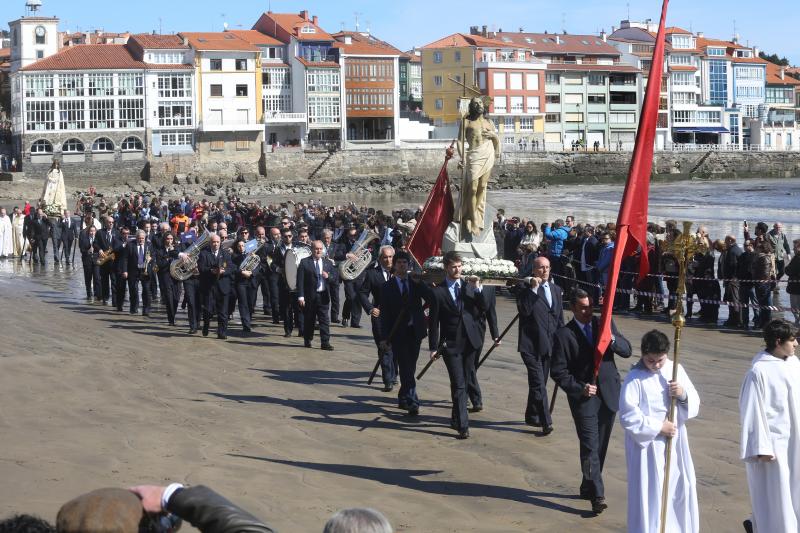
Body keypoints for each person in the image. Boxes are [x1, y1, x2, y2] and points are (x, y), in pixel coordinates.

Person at [550, 288, 632, 514]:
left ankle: (588, 483)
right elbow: (558, 371)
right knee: (589, 445)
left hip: (609, 394)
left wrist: (611, 337)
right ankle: (598, 494)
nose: (588, 311)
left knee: (600, 447)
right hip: (584, 398)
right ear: (573, 308)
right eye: (583, 308)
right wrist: (580, 388)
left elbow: (627, 350)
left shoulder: (603, 325)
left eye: (590, 306)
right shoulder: (563, 335)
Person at [619, 329, 700, 533]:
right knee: (651, 494)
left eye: (660, 360)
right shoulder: (635, 377)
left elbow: (694, 401)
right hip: (647, 447)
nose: (655, 365)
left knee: (678, 488)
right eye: (650, 360)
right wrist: (658, 427)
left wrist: (681, 394)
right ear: (643, 355)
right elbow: (628, 415)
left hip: (675, 441)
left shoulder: (675, 369)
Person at [739, 319, 800, 533]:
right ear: (778, 341)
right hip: (775, 445)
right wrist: (760, 447)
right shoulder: (758, 372)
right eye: (792, 340)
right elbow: (752, 411)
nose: (796, 345)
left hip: (796, 439)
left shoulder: (794, 363)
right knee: (777, 494)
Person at [427, 251, 489, 439]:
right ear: (446, 268)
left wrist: (477, 288)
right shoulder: (438, 291)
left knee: (465, 379)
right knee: (459, 383)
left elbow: (484, 308)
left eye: (460, 266)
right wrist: (433, 347)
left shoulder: (469, 287)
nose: (458, 269)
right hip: (450, 344)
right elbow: (433, 321)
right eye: (454, 266)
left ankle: (456, 418)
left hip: (470, 342)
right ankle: (463, 425)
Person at [380, 251, 434, 416]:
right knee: (405, 366)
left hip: (415, 331)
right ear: (394, 266)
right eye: (399, 262)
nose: (402, 265)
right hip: (398, 333)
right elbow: (385, 314)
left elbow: (432, 298)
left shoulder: (415, 282)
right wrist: (384, 337)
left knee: (410, 365)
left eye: (405, 262)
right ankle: (412, 401)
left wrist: (422, 285)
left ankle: (403, 397)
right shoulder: (387, 287)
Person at [517, 257, 564, 434]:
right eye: (540, 268)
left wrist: (564, 344)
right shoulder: (525, 288)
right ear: (534, 270)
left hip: (549, 345)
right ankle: (546, 420)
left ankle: (532, 415)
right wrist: (533, 289)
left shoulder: (556, 289)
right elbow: (524, 310)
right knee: (539, 384)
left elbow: (559, 319)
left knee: (539, 382)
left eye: (547, 267)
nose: (544, 271)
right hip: (530, 345)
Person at [457, 97, 500, 237]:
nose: (479, 105)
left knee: (482, 186)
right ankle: (474, 220)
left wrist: (494, 136)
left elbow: (495, 140)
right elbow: (460, 141)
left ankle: (471, 214)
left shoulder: (489, 122)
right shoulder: (467, 122)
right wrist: (462, 157)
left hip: (488, 154)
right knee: (473, 187)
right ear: (471, 106)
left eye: (480, 102)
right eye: (475, 103)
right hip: (474, 156)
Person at [360, 245, 397, 391]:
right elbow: (362, 293)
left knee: (397, 349)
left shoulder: (400, 273)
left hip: (398, 317)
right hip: (380, 317)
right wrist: (370, 308)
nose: (388, 260)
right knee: (384, 348)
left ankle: (394, 375)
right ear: (380, 259)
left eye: (390, 257)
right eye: (385, 257)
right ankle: (387, 379)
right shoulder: (372, 274)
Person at [297, 240, 337, 350]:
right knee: (309, 319)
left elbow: (335, 279)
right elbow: (300, 281)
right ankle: (308, 339)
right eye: (316, 248)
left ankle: (325, 342)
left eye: (320, 249)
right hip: (310, 296)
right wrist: (301, 296)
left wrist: (328, 277)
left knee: (324, 320)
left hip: (323, 296)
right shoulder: (305, 262)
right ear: (312, 249)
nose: (318, 251)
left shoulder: (327, 263)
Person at [198, 234, 233, 339]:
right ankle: (206, 325)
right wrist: (211, 271)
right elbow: (201, 268)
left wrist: (224, 271)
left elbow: (231, 267)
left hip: (222, 286)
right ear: (210, 243)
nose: (216, 244)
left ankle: (222, 332)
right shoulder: (204, 254)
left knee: (223, 312)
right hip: (209, 286)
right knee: (208, 310)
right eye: (214, 242)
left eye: (218, 242)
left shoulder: (225, 253)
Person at [122, 230, 154, 316]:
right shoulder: (130, 245)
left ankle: (146, 309)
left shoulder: (149, 245)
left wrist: (151, 258)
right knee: (133, 290)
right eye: (139, 238)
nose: (141, 240)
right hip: (133, 271)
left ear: (145, 238)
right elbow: (125, 259)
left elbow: (154, 256)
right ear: (136, 238)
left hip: (145, 271)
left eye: (142, 238)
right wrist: (125, 271)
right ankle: (134, 308)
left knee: (147, 290)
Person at [231, 239, 259, 334]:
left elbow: (258, 267)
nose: (241, 247)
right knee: (243, 303)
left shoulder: (252, 255)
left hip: (251, 281)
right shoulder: (234, 257)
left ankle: (248, 319)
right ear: (237, 247)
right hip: (241, 282)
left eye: (243, 245)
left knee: (251, 304)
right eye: (239, 246)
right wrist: (242, 272)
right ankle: (246, 324)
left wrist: (251, 273)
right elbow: (233, 268)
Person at [155, 232, 181, 326]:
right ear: (164, 240)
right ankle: (171, 319)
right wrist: (168, 256)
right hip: (166, 276)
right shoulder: (159, 251)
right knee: (169, 298)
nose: (169, 241)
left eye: (171, 239)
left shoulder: (177, 249)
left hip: (177, 277)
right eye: (167, 239)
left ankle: (172, 315)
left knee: (176, 298)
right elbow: (160, 264)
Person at [79, 225, 100, 300]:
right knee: (88, 278)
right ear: (88, 232)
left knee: (97, 278)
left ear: (96, 232)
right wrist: (87, 251)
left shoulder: (98, 239)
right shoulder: (84, 239)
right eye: (91, 231)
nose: (92, 232)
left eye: (94, 231)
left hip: (96, 261)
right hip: (87, 261)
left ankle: (97, 294)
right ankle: (89, 294)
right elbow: (81, 249)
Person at [785, 239, 800, 326]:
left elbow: (789, 270)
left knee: (795, 307)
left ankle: (798, 324)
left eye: (795, 247)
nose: (793, 249)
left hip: (796, 287)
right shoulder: (796, 257)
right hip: (795, 286)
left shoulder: (797, 258)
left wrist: (787, 268)